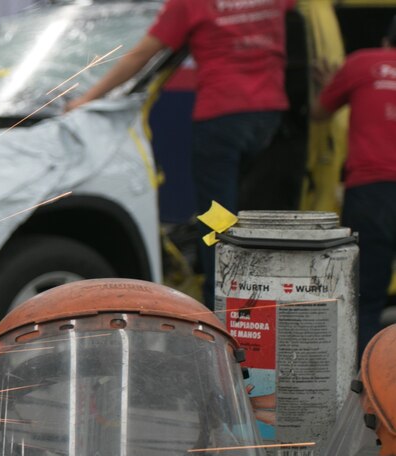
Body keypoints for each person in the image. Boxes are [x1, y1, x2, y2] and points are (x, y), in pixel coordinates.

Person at [66, 0, 297, 307]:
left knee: (218, 218)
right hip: (269, 117)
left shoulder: (189, 3)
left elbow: (140, 54)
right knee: (254, 215)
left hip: (221, 117)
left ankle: (220, 302)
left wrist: (86, 98)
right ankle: (263, 299)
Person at [312, 16, 396, 357]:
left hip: (371, 192)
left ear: (386, 41)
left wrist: (327, 84)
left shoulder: (362, 63)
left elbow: (318, 112)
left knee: (366, 300)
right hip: (373, 189)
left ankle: (366, 386)